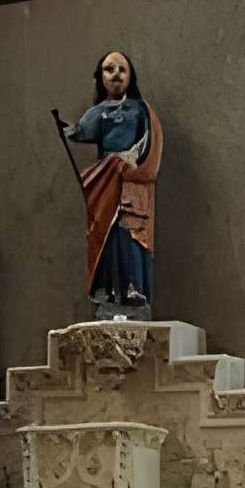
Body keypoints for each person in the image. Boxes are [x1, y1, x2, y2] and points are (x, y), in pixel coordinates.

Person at [64, 48, 163, 314]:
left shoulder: (140, 110)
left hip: (131, 179)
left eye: (122, 69)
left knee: (130, 231)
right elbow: (81, 132)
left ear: (131, 76)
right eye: (109, 69)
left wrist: (134, 164)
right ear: (100, 77)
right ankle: (109, 290)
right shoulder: (99, 112)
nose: (116, 75)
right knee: (106, 233)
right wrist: (65, 129)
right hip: (106, 179)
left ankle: (134, 286)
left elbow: (151, 142)